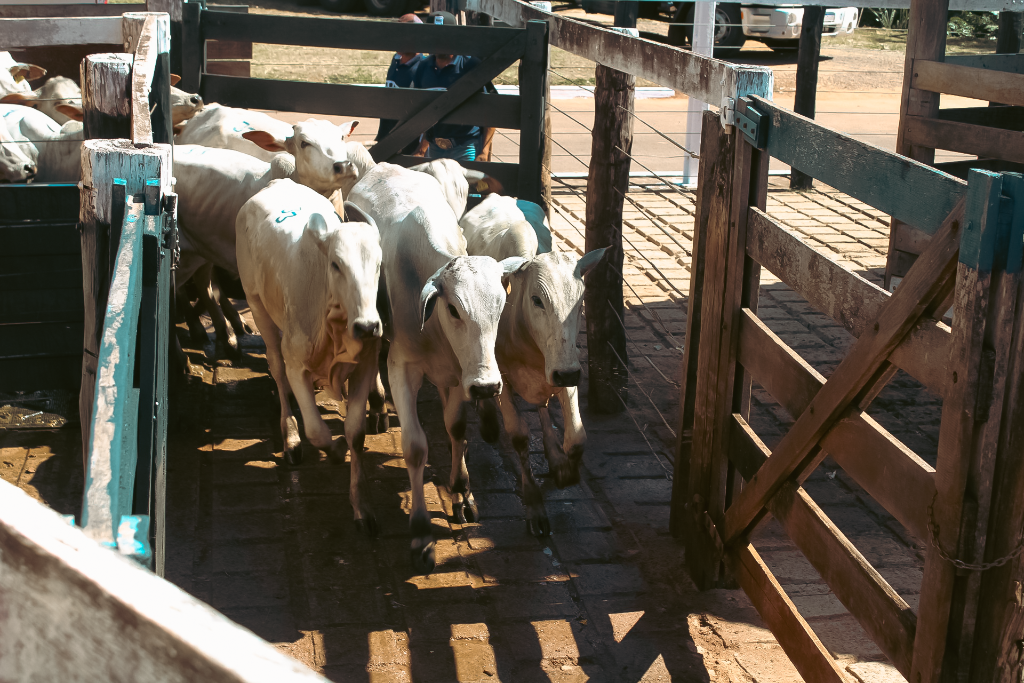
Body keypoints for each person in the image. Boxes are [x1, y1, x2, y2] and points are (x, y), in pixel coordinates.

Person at [412, 11, 496, 162]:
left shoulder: (470, 65)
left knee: (468, 185)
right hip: (435, 146)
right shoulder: (424, 67)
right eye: (434, 36)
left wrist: (484, 152)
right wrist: (422, 147)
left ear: (454, 36)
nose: (439, 41)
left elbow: (490, 110)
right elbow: (422, 110)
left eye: (444, 35)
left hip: (465, 146)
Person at [374, 13, 425, 155]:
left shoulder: (422, 66)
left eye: (403, 32)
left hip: (407, 141)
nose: (398, 37)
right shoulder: (396, 60)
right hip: (386, 134)